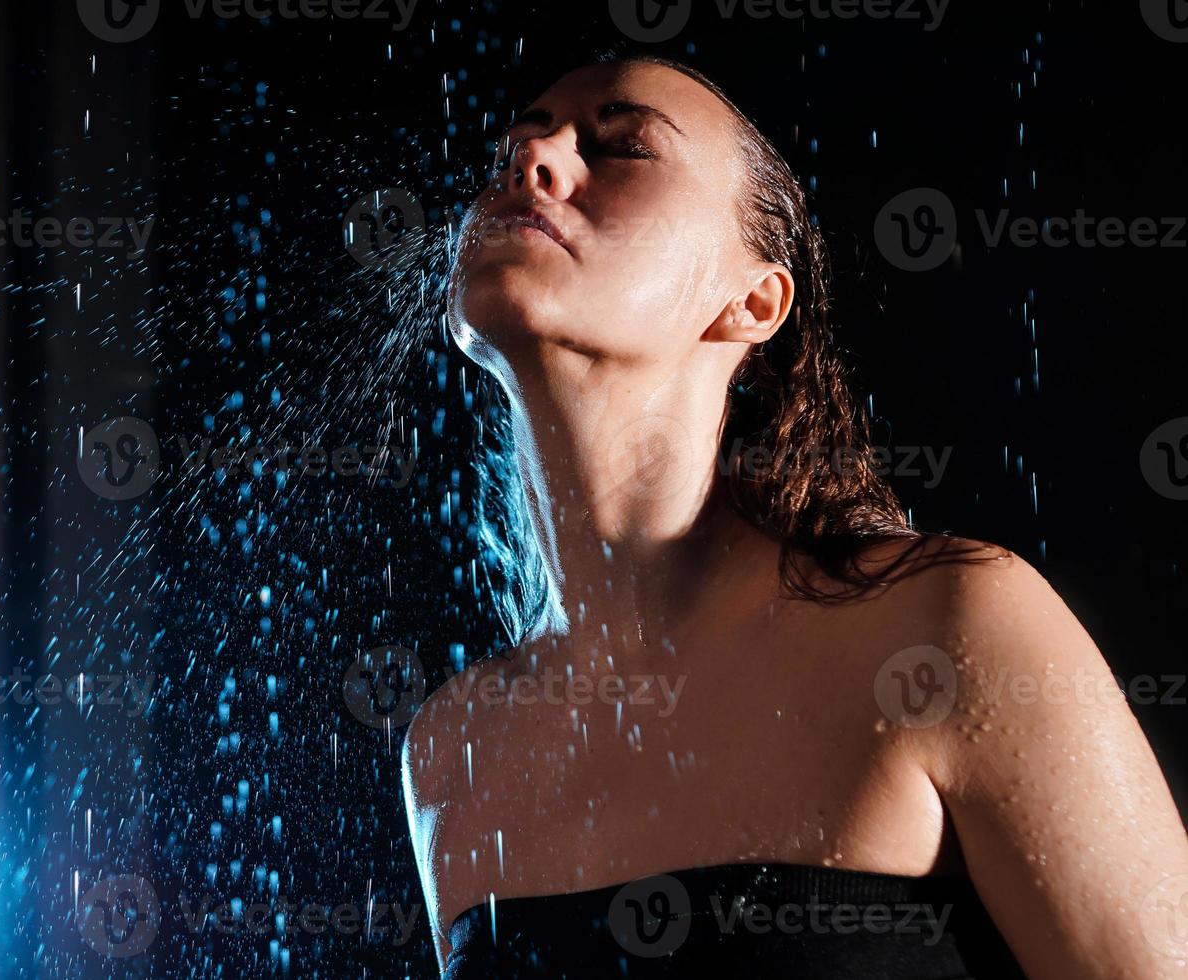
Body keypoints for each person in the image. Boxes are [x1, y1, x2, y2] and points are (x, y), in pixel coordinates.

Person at [399, 52, 1188, 978]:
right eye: (514, 143)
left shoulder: (945, 631)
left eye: (622, 147)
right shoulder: (457, 748)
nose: (530, 152)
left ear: (752, 301)